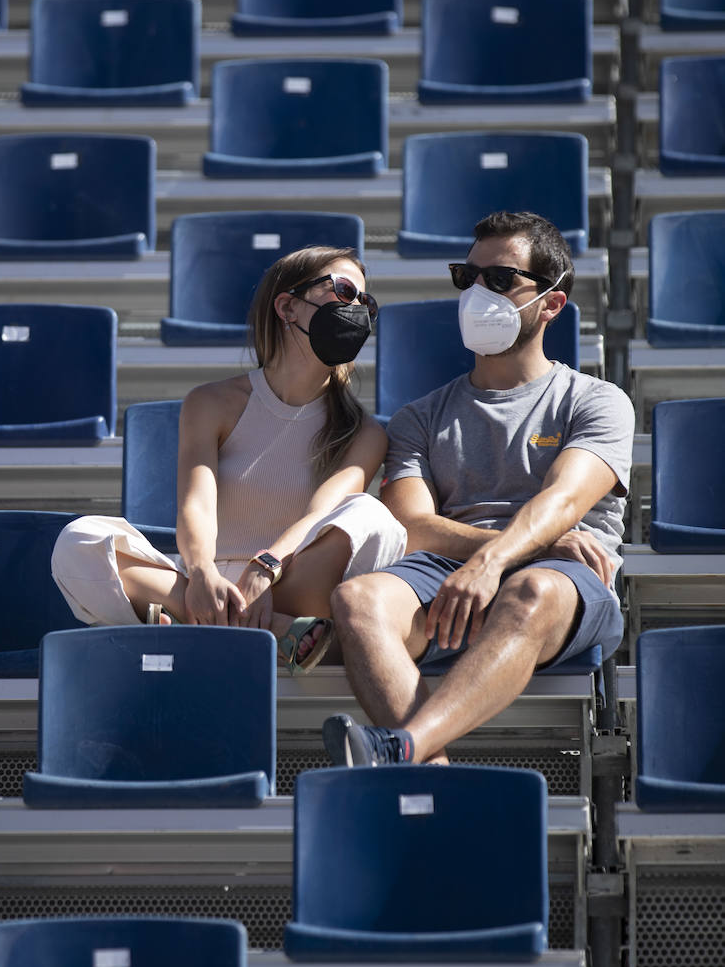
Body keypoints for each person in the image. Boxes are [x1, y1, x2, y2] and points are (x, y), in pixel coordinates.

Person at [323, 211, 634, 765]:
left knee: (530, 591)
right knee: (357, 600)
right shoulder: (419, 417)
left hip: (562, 576)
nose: (477, 293)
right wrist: (496, 555)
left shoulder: (596, 400)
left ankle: (406, 747)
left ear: (551, 304)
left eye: (500, 279)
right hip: (453, 569)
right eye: (467, 277)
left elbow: (563, 501)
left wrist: (498, 562)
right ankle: (430, 773)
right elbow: (411, 525)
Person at [52, 245, 407, 672]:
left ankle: (194, 627)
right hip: (205, 587)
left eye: (365, 302)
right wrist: (202, 573)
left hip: (293, 584)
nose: (357, 308)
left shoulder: (364, 432)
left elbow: (322, 514)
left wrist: (265, 568)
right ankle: (272, 632)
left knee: (371, 515)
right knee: (78, 540)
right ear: (288, 307)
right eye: (345, 291)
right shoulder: (212, 402)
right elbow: (196, 504)